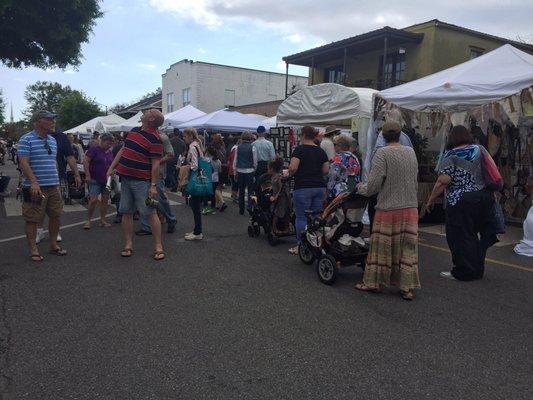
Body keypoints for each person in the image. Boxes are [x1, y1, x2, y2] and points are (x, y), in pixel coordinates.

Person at [355, 121, 420, 300]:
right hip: (410, 207)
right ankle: (406, 288)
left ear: (382, 136)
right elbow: (414, 180)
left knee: (381, 248)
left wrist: (361, 187)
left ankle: (373, 282)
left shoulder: (382, 153)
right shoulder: (411, 152)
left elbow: (373, 185)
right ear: (400, 134)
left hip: (388, 208)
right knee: (407, 248)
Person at [426, 125, 497, 281]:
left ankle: (463, 271)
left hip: (461, 201)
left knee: (459, 236)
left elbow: (443, 180)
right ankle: (477, 270)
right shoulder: (480, 149)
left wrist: (430, 199)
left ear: (451, 138)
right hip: (483, 198)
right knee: (473, 235)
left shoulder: (451, 154)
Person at [106, 109, 166, 260]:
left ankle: (158, 246)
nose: (145, 111)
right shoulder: (133, 131)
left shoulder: (155, 139)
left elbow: (156, 165)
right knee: (126, 212)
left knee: (150, 213)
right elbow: (123, 150)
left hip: (143, 182)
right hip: (125, 179)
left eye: (149, 111)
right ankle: (128, 244)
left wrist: (153, 185)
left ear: (151, 119)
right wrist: (112, 167)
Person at [17, 111, 72, 261]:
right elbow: (23, 162)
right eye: (49, 119)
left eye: (53, 118)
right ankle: (34, 250)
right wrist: (34, 181)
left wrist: (58, 180)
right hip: (34, 187)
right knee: (32, 218)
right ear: (38, 121)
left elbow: (52, 162)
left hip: (53, 185)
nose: (53, 121)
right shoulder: (26, 139)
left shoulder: (53, 140)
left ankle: (54, 245)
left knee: (56, 215)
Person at [287, 126, 330, 255]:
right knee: (316, 217)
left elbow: (293, 168)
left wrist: (289, 172)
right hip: (319, 187)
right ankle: (316, 243)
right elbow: (326, 170)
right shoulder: (321, 151)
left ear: (304, 135)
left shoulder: (299, 150)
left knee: (301, 217)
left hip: (303, 187)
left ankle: (301, 246)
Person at [36, 126, 81, 244]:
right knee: (39, 207)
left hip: (58, 177)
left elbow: (70, 156)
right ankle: (39, 231)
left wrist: (76, 174)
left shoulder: (61, 137)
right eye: (50, 120)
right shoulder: (34, 136)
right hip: (38, 178)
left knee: (56, 209)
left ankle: (55, 232)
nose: (52, 123)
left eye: (54, 121)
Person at [137, 131, 178, 235]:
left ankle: (171, 219)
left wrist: (157, 162)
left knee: (159, 199)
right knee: (144, 198)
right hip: (142, 172)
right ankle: (145, 226)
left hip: (157, 173)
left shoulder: (162, 137)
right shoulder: (141, 135)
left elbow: (171, 154)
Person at [83, 133, 114, 229]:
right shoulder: (94, 150)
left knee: (105, 200)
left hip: (107, 180)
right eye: (107, 143)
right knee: (93, 200)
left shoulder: (109, 152)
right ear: (102, 141)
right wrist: (87, 175)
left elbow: (112, 164)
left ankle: (103, 220)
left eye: (110, 144)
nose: (109, 146)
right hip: (95, 179)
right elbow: (85, 161)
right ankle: (88, 220)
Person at [183, 127, 205, 240]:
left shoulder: (192, 147)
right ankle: (197, 230)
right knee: (195, 204)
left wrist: (186, 167)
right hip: (199, 178)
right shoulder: (197, 145)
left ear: (191, 136)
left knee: (194, 204)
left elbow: (195, 165)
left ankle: (198, 232)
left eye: (185, 136)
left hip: (194, 178)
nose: (184, 138)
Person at [326, 135, 361, 202]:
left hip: (339, 194)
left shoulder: (338, 158)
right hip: (353, 191)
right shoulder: (355, 157)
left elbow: (333, 176)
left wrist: (327, 192)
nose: (334, 146)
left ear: (339, 146)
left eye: (335, 144)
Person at [234, 131, 257, 215]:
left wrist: (235, 171)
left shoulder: (238, 147)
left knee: (241, 190)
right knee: (250, 190)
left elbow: (235, 161)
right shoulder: (253, 147)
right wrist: (254, 169)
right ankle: (250, 206)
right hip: (250, 171)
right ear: (250, 138)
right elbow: (255, 161)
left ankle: (241, 209)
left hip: (240, 170)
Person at [269, 156, 291, 235]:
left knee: (277, 213)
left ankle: (276, 228)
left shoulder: (278, 177)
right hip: (280, 196)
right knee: (282, 212)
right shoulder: (273, 177)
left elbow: (281, 187)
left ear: (272, 169)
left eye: (268, 168)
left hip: (281, 197)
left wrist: (276, 197)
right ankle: (285, 227)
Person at [252, 125, 276, 191]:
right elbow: (273, 157)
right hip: (267, 165)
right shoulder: (269, 144)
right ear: (264, 133)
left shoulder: (253, 144)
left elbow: (252, 157)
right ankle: (265, 197)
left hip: (257, 165)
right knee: (267, 183)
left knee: (258, 183)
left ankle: (258, 197)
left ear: (257, 133)